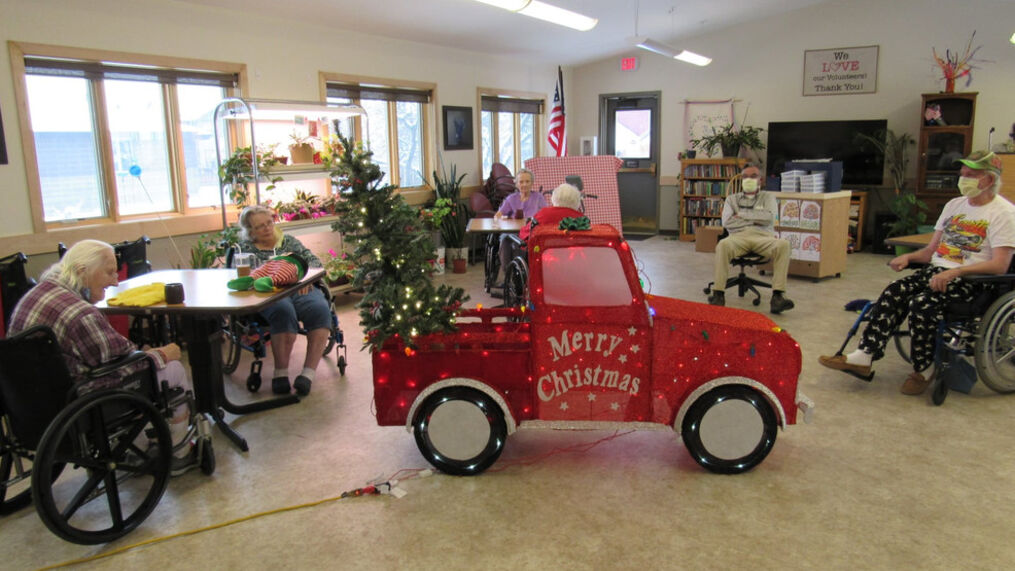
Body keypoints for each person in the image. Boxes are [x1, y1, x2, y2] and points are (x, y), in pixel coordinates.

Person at [819, 150, 1015, 395]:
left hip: (973, 281)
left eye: (971, 175)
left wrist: (956, 272)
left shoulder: (1004, 213)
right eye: (962, 173)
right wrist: (910, 257)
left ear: (989, 179)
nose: (963, 178)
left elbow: (999, 265)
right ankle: (864, 356)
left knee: (922, 304)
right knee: (895, 290)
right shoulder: (954, 205)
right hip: (937, 271)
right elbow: (931, 250)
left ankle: (924, 369)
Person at [7, 240, 198, 474]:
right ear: (82, 271)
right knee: (173, 369)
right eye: (109, 272)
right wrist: (160, 354)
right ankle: (180, 452)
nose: (115, 281)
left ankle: (137, 447)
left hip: (32, 406)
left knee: (138, 368)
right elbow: (121, 368)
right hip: (81, 404)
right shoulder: (81, 314)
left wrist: (140, 354)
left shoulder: (34, 295)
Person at [235, 205, 333, 397]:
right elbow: (237, 275)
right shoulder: (244, 249)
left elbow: (314, 262)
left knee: (319, 309)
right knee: (283, 312)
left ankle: (308, 374)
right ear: (250, 231)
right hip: (268, 293)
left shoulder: (288, 242)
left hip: (300, 287)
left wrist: (305, 278)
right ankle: (280, 373)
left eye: (269, 223)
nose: (267, 228)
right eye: (260, 226)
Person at [708, 164, 795, 314]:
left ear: (760, 180)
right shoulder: (731, 199)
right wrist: (756, 219)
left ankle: (778, 296)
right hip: (738, 236)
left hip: (763, 237)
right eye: (745, 177)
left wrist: (741, 215)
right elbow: (727, 222)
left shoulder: (768, 197)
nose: (749, 179)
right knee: (723, 245)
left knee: (784, 245)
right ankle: (718, 294)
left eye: (753, 176)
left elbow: (769, 218)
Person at [491, 169, 547, 286]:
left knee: (520, 244)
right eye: (521, 182)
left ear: (532, 183)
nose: (524, 184)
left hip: (531, 232)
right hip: (512, 232)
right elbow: (498, 215)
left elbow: (545, 215)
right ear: (516, 184)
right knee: (505, 240)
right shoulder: (511, 198)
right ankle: (509, 275)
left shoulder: (538, 198)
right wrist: (503, 218)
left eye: (527, 181)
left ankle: (522, 276)